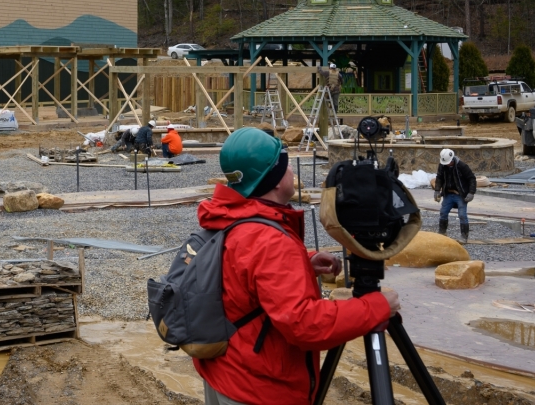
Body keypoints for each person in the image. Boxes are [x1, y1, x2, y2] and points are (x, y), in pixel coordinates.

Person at [195, 127, 399, 405]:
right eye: (287, 165)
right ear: (275, 181)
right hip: (258, 390)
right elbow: (305, 324)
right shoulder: (270, 241)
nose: (291, 171)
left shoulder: (231, 215)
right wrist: (376, 307)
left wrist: (303, 262)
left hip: (226, 373)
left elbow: (243, 271)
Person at [434, 148, 476, 241]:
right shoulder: (442, 165)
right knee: (443, 212)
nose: (446, 164)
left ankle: (464, 237)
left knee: (462, 215)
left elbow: (472, 178)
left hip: (460, 195)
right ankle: (442, 233)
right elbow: (439, 177)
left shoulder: (462, 166)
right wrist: (437, 190)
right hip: (448, 193)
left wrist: (471, 193)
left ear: (452, 159)